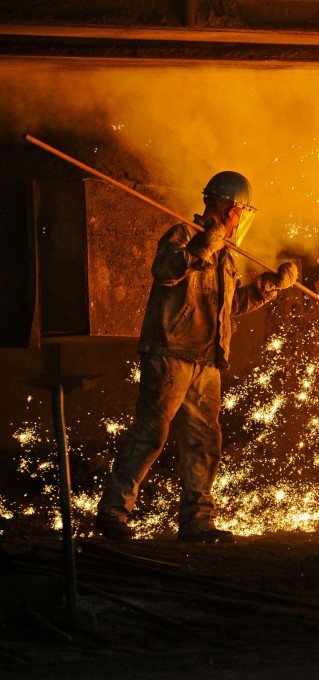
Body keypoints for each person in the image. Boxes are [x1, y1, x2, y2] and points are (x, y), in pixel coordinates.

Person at [94, 171, 298, 543]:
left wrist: (270, 286)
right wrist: (202, 247)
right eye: (240, 211)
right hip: (171, 352)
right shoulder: (183, 237)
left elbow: (229, 306)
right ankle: (113, 513)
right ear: (227, 206)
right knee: (151, 434)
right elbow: (164, 272)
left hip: (207, 359)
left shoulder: (227, 256)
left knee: (205, 440)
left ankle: (197, 522)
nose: (240, 220)